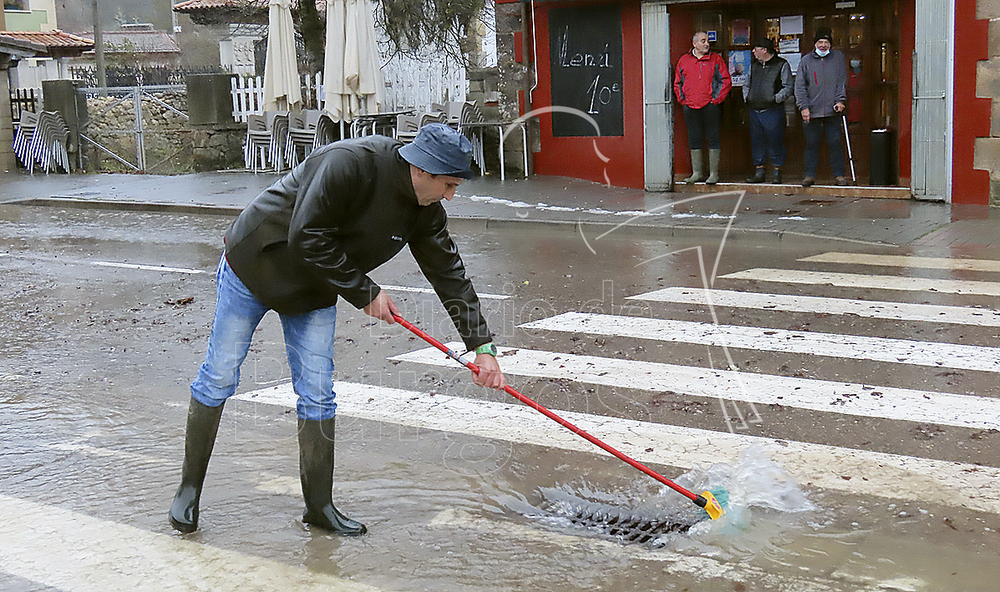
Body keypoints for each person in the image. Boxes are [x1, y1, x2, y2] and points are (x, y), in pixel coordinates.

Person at [168, 123, 506, 536]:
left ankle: (319, 507)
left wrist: (482, 346)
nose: (452, 196)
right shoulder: (350, 164)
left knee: (316, 391)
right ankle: (188, 490)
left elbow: (449, 273)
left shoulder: (426, 211)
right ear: (423, 170)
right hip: (256, 265)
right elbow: (307, 234)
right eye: (450, 185)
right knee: (220, 375)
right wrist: (365, 292)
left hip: (316, 287)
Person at [674, 31, 732, 185]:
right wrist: (683, 100)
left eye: (707, 41)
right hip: (690, 105)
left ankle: (713, 174)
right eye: (703, 41)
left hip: (710, 105)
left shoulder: (716, 60)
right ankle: (697, 173)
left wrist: (716, 99)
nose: (706, 44)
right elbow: (678, 83)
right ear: (694, 44)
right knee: (694, 138)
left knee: (713, 138)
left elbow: (725, 81)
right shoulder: (684, 61)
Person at [794, 27, 849, 187]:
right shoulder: (806, 61)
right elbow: (800, 86)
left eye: (826, 42)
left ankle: (839, 175)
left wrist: (840, 100)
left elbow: (841, 82)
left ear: (830, 44)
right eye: (820, 42)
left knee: (835, 143)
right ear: (815, 44)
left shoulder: (838, 58)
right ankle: (809, 175)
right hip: (812, 111)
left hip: (833, 110)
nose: (823, 45)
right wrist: (803, 107)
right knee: (811, 144)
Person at [743, 37, 793, 184]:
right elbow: (747, 83)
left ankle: (777, 172)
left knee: (775, 140)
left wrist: (774, 99)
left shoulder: (782, 64)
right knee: (757, 141)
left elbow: (787, 87)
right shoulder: (754, 66)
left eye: (756, 49)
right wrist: (747, 97)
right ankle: (759, 172)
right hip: (754, 109)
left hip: (773, 110)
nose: (753, 52)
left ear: (764, 50)